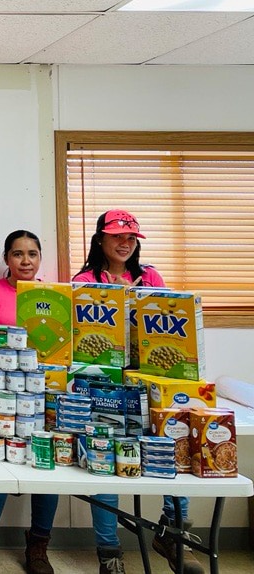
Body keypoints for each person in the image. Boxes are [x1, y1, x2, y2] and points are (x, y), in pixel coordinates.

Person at [74, 210, 202, 574]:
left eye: (131, 237)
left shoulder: (151, 277)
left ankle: (173, 535)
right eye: (117, 236)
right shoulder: (85, 281)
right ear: (100, 239)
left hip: (150, 380)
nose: (125, 242)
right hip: (104, 383)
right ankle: (109, 552)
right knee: (106, 458)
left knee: (172, 447)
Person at [0, 230, 57, 574]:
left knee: (45, 464)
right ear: (6, 258)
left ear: (40, 259)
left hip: (40, 394)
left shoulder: (52, 295)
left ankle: (39, 545)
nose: (25, 261)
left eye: (32, 254)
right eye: (17, 254)